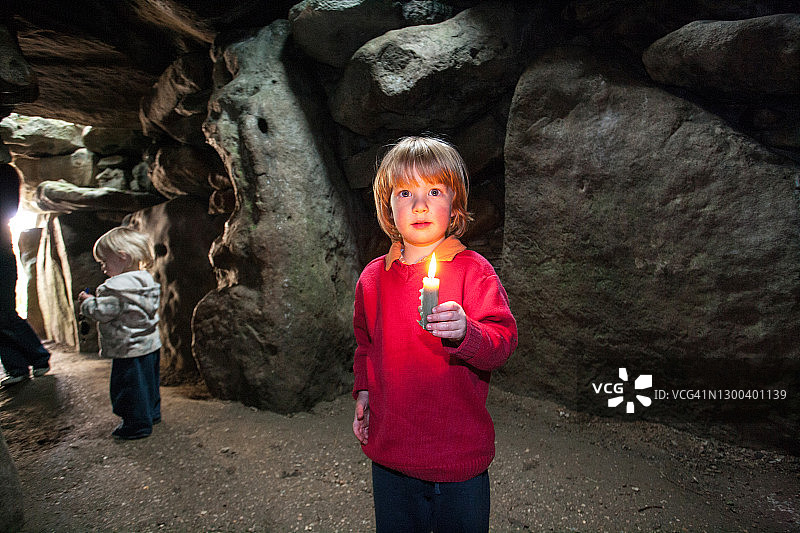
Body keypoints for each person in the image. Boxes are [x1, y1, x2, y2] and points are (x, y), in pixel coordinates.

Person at [352, 136, 518, 532]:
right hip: (392, 457)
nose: (420, 204)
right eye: (405, 192)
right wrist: (363, 391)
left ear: (455, 205)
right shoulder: (374, 278)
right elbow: (365, 344)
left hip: (458, 457)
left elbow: (503, 342)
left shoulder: (473, 271)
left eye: (434, 190)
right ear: (388, 206)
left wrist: (468, 332)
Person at [78, 226, 161, 440]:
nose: (103, 268)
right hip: (150, 344)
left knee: (128, 389)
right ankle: (152, 414)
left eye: (105, 261)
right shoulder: (148, 281)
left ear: (122, 257)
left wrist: (88, 303)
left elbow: (103, 312)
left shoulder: (113, 287)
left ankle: (136, 425)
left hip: (127, 348)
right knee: (149, 383)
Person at [0, 164, 51, 387]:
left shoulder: (5, 173)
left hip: (0, 257)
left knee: (4, 313)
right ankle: (16, 366)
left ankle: (39, 357)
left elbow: (8, 209)